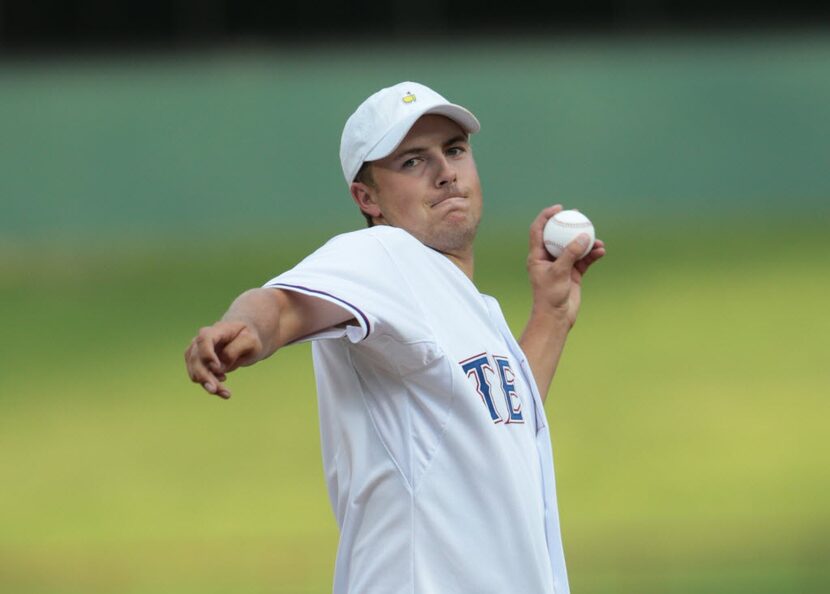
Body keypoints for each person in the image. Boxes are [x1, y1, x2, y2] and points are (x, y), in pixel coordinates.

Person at [184, 81, 605, 594]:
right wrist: (246, 327)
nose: (445, 171)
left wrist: (552, 314)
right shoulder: (384, 257)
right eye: (412, 161)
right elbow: (280, 305)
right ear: (368, 198)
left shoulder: (468, 306)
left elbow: (497, 430)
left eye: (454, 150)